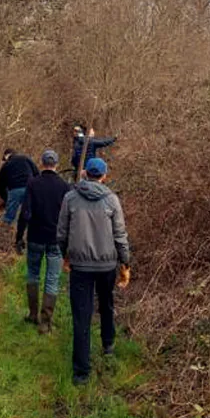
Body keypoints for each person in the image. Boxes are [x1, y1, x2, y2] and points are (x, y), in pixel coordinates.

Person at [56, 157, 131, 385]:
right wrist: (125, 263)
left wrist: (65, 256)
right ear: (104, 176)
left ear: (85, 173)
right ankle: (108, 344)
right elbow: (120, 235)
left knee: (81, 315)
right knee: (106, 304)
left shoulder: (70, 198)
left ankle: (81, 372)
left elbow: (62, 233)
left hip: (80, 266)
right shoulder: (112, 200)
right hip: (107, 265)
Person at [15, 149, 69, 333]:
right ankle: (45, 322)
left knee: (33, 274)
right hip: (56, 239)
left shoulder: (33, 183)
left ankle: (32, 314)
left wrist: (19, 236)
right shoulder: (64, 186)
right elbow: (68, 217)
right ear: (57, 164)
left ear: (42, 162)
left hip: (35, 236)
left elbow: (25, 213)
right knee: (52, 279)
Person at [0, 148, 38, 225]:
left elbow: (0, 185)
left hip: (14, 191)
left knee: (9, 217)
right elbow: (37, 173)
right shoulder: (25, 158)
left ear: (6, 156)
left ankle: (5, 231)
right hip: (30, 188)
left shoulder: (5, 165)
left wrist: (5, 198)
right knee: (31, 214)